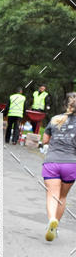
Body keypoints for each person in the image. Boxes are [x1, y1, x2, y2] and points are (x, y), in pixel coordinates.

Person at [41, 93, 76, 241]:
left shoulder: (55, 119)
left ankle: (51, 220)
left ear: (65, 104)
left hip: (52, 162)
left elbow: (45, 140)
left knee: (52, 195)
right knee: (62, 196)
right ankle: (56, 227)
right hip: (71, 164)